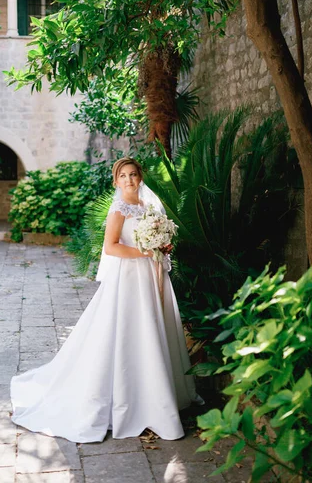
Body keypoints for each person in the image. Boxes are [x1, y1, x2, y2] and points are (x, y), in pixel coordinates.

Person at [10, 157, 202, 443]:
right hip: (130, 278)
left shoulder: (150, 206)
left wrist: (162, 247)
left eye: (133, 174)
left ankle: (159, 393)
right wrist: (145, 252)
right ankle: (130, 401)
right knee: (131, 331)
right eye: (123, 176)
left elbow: (159, 240)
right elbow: (111, 248)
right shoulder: (119, 208)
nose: (128, 180)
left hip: (153, 275)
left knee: (156, 327)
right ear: (116, 181)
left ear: (140, 177)